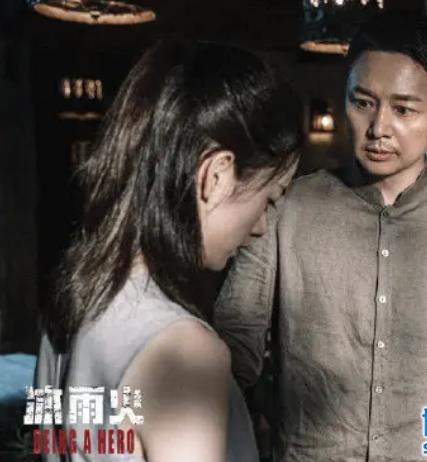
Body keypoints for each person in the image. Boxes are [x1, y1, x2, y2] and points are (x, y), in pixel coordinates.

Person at [214, 12, 427, 462]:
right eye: (362, 103)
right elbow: (231, 354)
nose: (379, 128)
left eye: (403, 110)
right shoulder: (286, 207)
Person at [35, 40, 302, 462]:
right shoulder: (184, 352)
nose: (261, 227)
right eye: (269, 198)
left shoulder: (73, 299)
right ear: (216, 175)